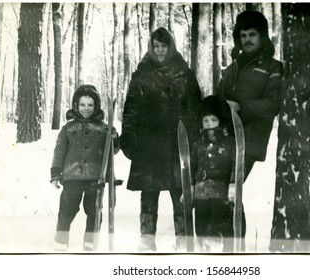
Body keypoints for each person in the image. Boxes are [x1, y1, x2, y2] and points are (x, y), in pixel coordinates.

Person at [119, 27, 202, 252]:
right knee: (149, 192)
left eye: (164, 46)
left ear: (171, 47)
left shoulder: (184, 73)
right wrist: (129, 135)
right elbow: (131, 107)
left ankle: (184, 240)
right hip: (149, 144)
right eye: (156, 46)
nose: (160, 50)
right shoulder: (142, 73)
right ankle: (147, 240)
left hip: (177, 143)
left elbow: (195, 109)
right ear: (151, 47)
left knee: (181, 191)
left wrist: (192, 138)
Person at [216, 11, 283, 251]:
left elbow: (273, 104)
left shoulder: (273, 67)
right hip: (226, 139)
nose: (247, 39)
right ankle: (228, 246)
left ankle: (233, 248)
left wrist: (240, 109)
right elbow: (218, 99)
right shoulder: (232, 68)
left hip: (250, 140)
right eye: (243, 35)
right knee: (222, 190)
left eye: (252, 34)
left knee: (230, 190)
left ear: (262, 36)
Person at [50, 84, 119, 251]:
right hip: (71, 177)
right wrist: (55, 173)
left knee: (94, 211)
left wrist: (115, 138)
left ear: (96, 107)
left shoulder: (103, 128)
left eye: (90, 105)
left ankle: (90, 242)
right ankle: (61, 240)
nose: (86, 109)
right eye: (82, 105)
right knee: (67, 210)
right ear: (76, 105)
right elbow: (59, 150)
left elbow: (113, 151)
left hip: (96, 178)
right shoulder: (68, 128)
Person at [188, 95, 236, 252]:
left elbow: (236, 165)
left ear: (221, 121)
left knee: (219, 227)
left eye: (213, 120)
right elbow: (192, 168)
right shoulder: (197, 145)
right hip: (200, 195)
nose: (209, 124)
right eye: (206, 121)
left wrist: (233, 185)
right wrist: (189, 187)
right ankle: (203, 252)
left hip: (221, 194)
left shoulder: (229, 143)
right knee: (201, 227)